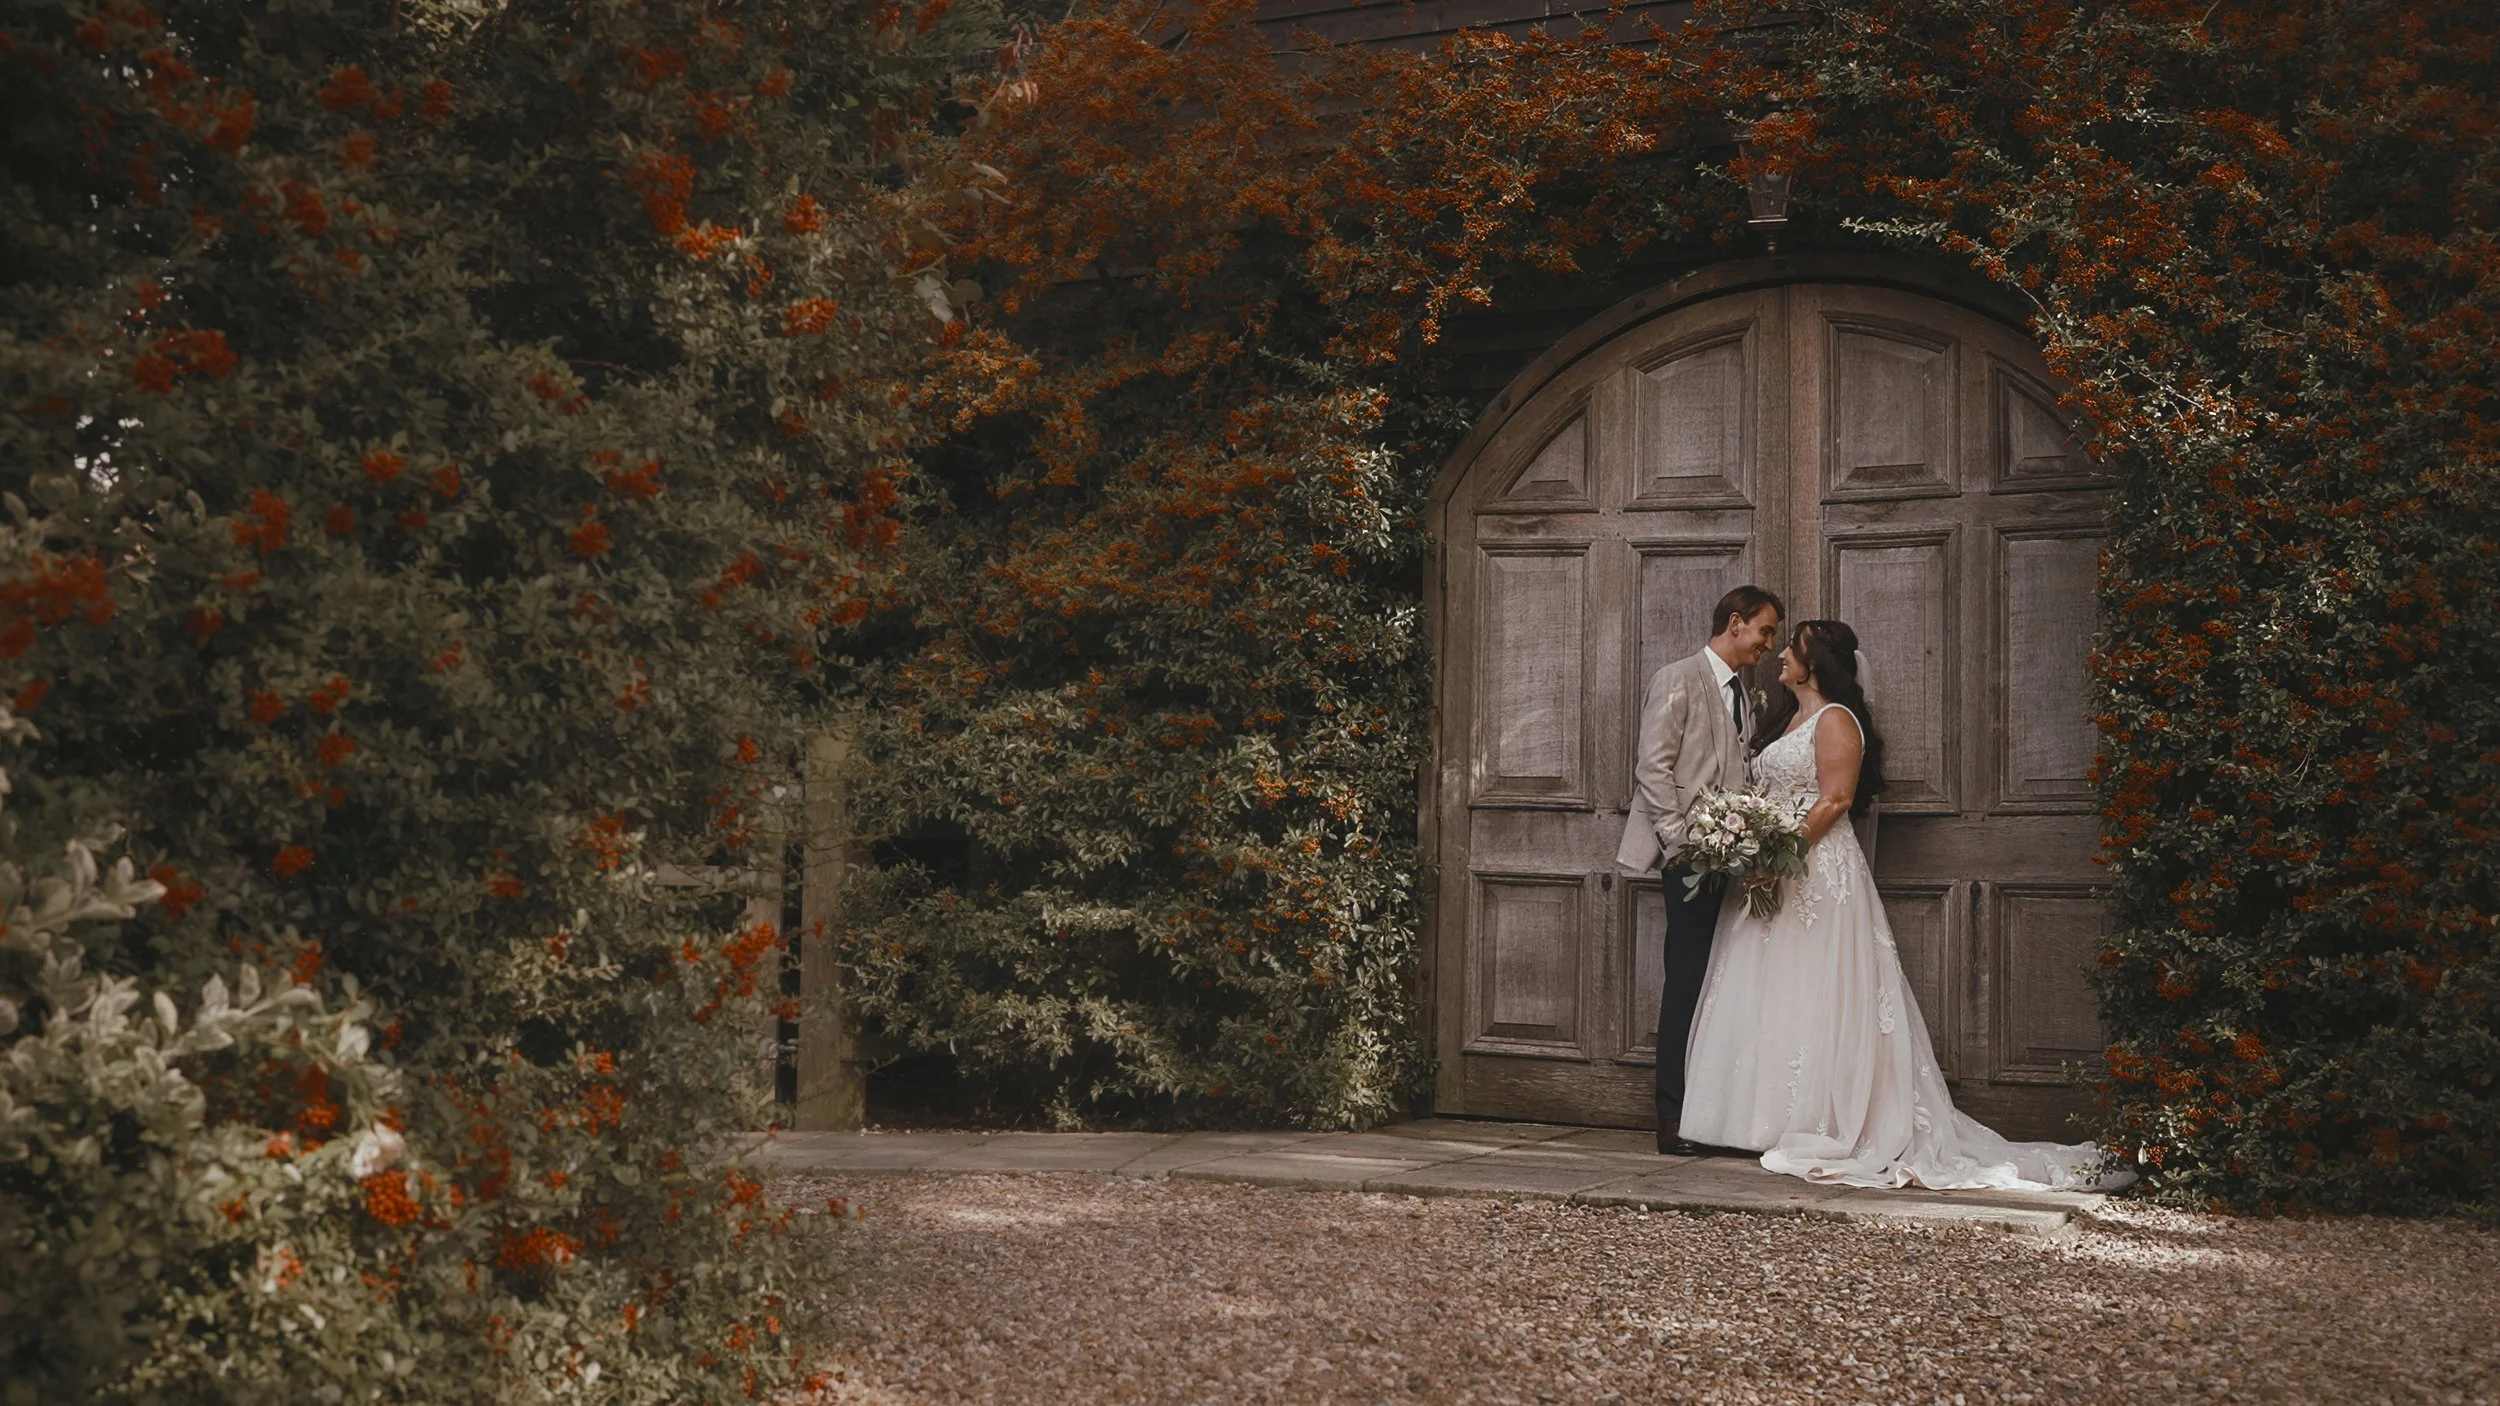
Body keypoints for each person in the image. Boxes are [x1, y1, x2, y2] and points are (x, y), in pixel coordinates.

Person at [1677, 619, 2132, 1191]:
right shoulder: (1784, 719)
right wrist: (1750, 844)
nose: (1780, 656)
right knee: (1767, 982)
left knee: (1814, 983)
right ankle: (1750, 1119)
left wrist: (1779, 855)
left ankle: (1817, 1119)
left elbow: (1836, 798)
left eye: (1790, 648)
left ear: (1815, 660)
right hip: (1775, 868)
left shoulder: (1836, 720)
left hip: (1814, 869)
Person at [1617, 585, 1783, 1157]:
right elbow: (1653, 767)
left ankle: (1716, 1114)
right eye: (1764, 631)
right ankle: (1670, 1116)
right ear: (1735, 623)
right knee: (1686, 980)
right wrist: (1680, 843)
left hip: (1733, 858)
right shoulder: (1678, 677)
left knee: (1724, 985)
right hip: (1691, 858)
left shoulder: (1745, 691)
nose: (1768, 644)